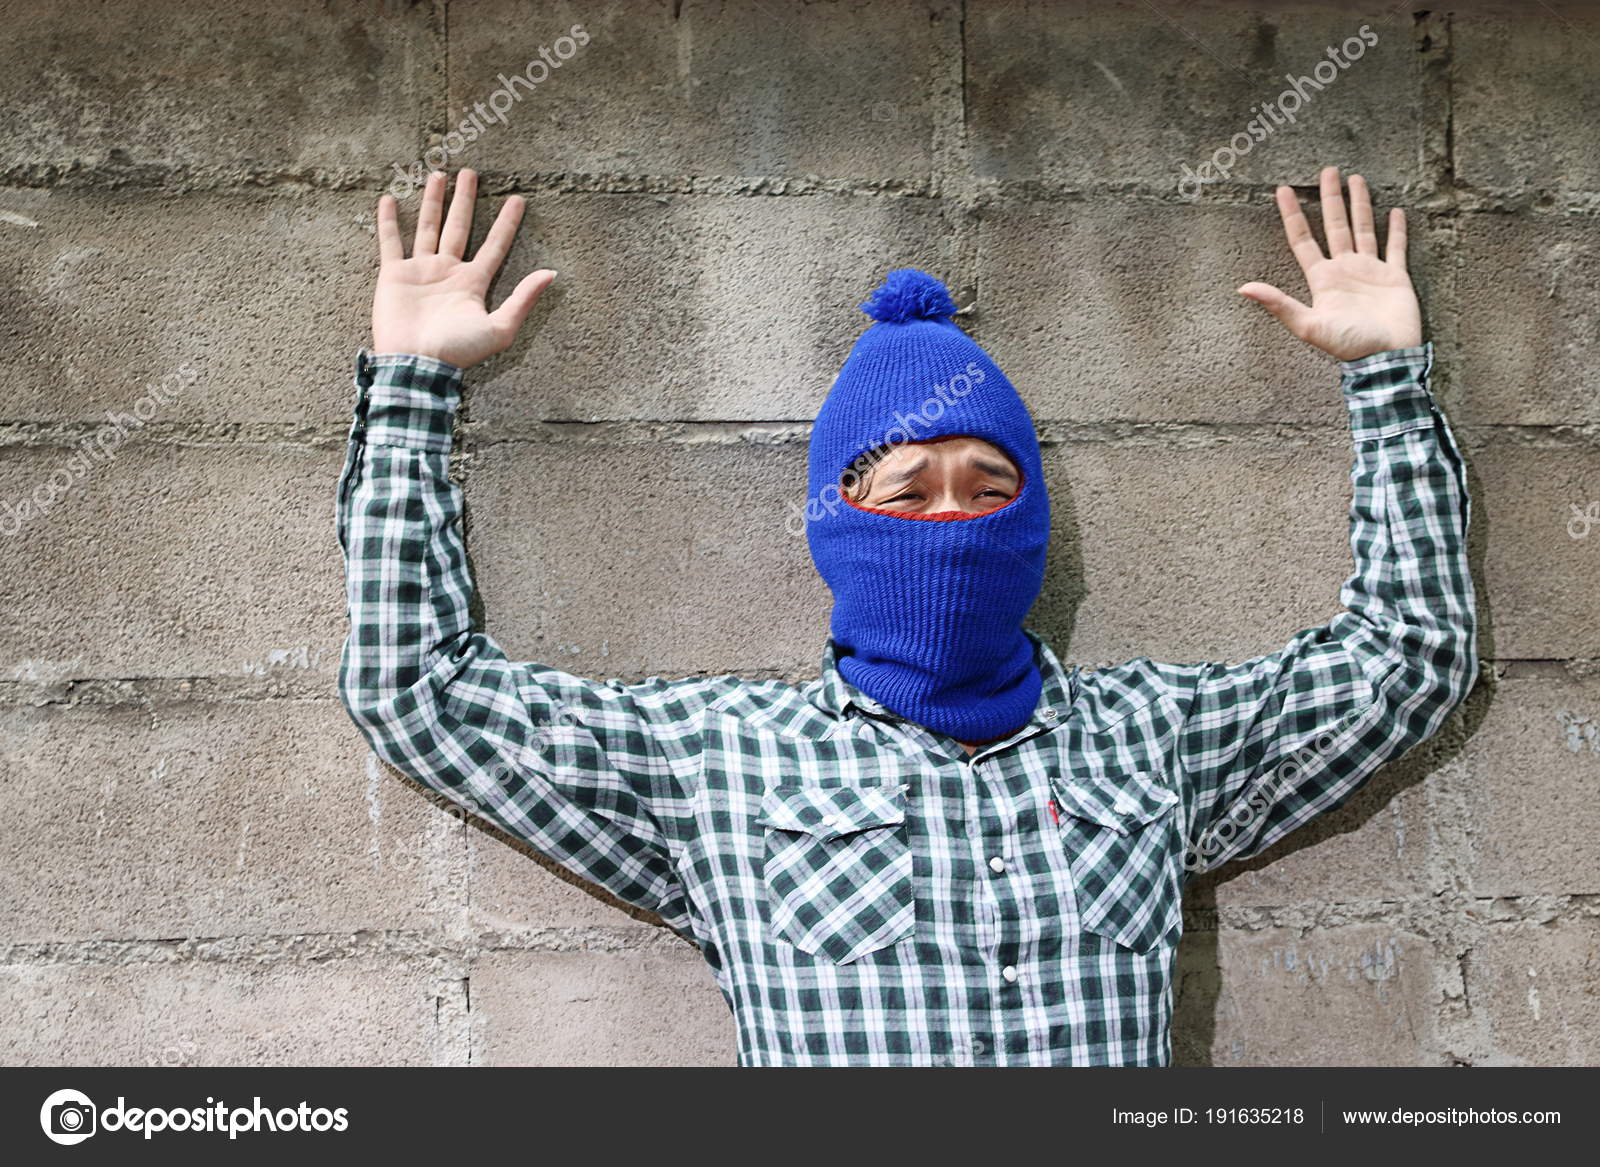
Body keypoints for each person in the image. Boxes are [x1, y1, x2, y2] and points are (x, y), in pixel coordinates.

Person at [337, 165, 1477, 1066]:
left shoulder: (1154, 741)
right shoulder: (717, 761)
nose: (954, 520)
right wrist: (412, 387)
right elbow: (418, 692)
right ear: (839, 521)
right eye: (907, 491)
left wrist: (1385, 379)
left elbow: (1408, 660)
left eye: (991, 489)